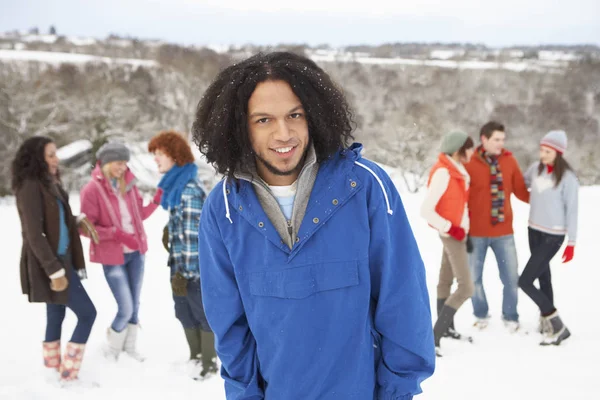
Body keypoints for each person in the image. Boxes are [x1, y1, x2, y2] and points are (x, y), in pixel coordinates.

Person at [192, 51, 435, 399]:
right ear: (238, 126)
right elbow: (231, 328)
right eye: (263, 120)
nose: (283, 133)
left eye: (295, 115)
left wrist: (398, 392)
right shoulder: (224, 209)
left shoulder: (364, 186)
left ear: (315, 116)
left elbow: (403, 300)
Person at [12, 136, 98, 383]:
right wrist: (55, 271)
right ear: (36, 158)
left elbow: (56, 219)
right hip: (52, 263)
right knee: (87, 314)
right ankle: (69, 373)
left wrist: (76, 220)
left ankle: (52, 370)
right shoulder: (30, 186)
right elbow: (34, 234)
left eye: (55, 154)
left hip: (63, 258)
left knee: (56, 312)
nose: (55, 159)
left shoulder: (50, 183)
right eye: (50, 155)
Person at [79, 142, 161, 361]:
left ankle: (130, 349)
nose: (123, 167)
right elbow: (85, 228)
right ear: (106, 163)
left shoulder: (129, 185)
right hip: (113, 257)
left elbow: (138, 216)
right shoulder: (92, 190)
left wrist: (155, 202)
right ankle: (113, 350)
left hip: (136, 254)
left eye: (125, 163)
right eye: (118, 163)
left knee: (135, 304)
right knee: (125, 306)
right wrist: (116, 234)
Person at [148, 130, 217, 378]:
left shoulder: (188, 190)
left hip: (193, 270)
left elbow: (194, 239)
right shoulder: (176, 187)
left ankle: (209, 363)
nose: (155, 159)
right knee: (184, 312)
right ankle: (196, 357)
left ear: (175, 156)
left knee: (201, 314)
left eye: (159, 154)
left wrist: (186, 274)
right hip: (180, 267)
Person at [465, 121, 530, 332]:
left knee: (511, 278)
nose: (501, 144)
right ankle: (481, 314)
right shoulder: (470, 162)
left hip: (504, 233)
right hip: (475, 233)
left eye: (503, 139)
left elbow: (521, 190)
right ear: (484, 139)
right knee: (473, 279)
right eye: (497, 139)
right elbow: (460, 195)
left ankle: (511, 316)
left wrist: (547, 197)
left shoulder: (509, 161)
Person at [520, 130, 577, 345]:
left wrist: (571, 242)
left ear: (558, 153)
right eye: (542, 150)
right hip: (533, 230)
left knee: (524, 281)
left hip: (553, 236)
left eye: (548, 151)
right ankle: (546, 321)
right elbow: (520, 183)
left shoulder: (568, 179)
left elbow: (572, 211)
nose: (543, 154)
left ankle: (556, 323)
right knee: (543, 277)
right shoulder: (536, 170)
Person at [421, 131, 475, 355]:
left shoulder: (457, 171)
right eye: (469, 147)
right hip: (452, 235)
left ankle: (446, 330)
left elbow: (460, 205)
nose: (472, 152)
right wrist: (452, 228)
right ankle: (434, 336)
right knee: (466, 287)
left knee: (445, 281)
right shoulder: (444, 172)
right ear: (458, 149)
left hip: (458, 234)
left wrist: (466, 230)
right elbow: (426, 210)